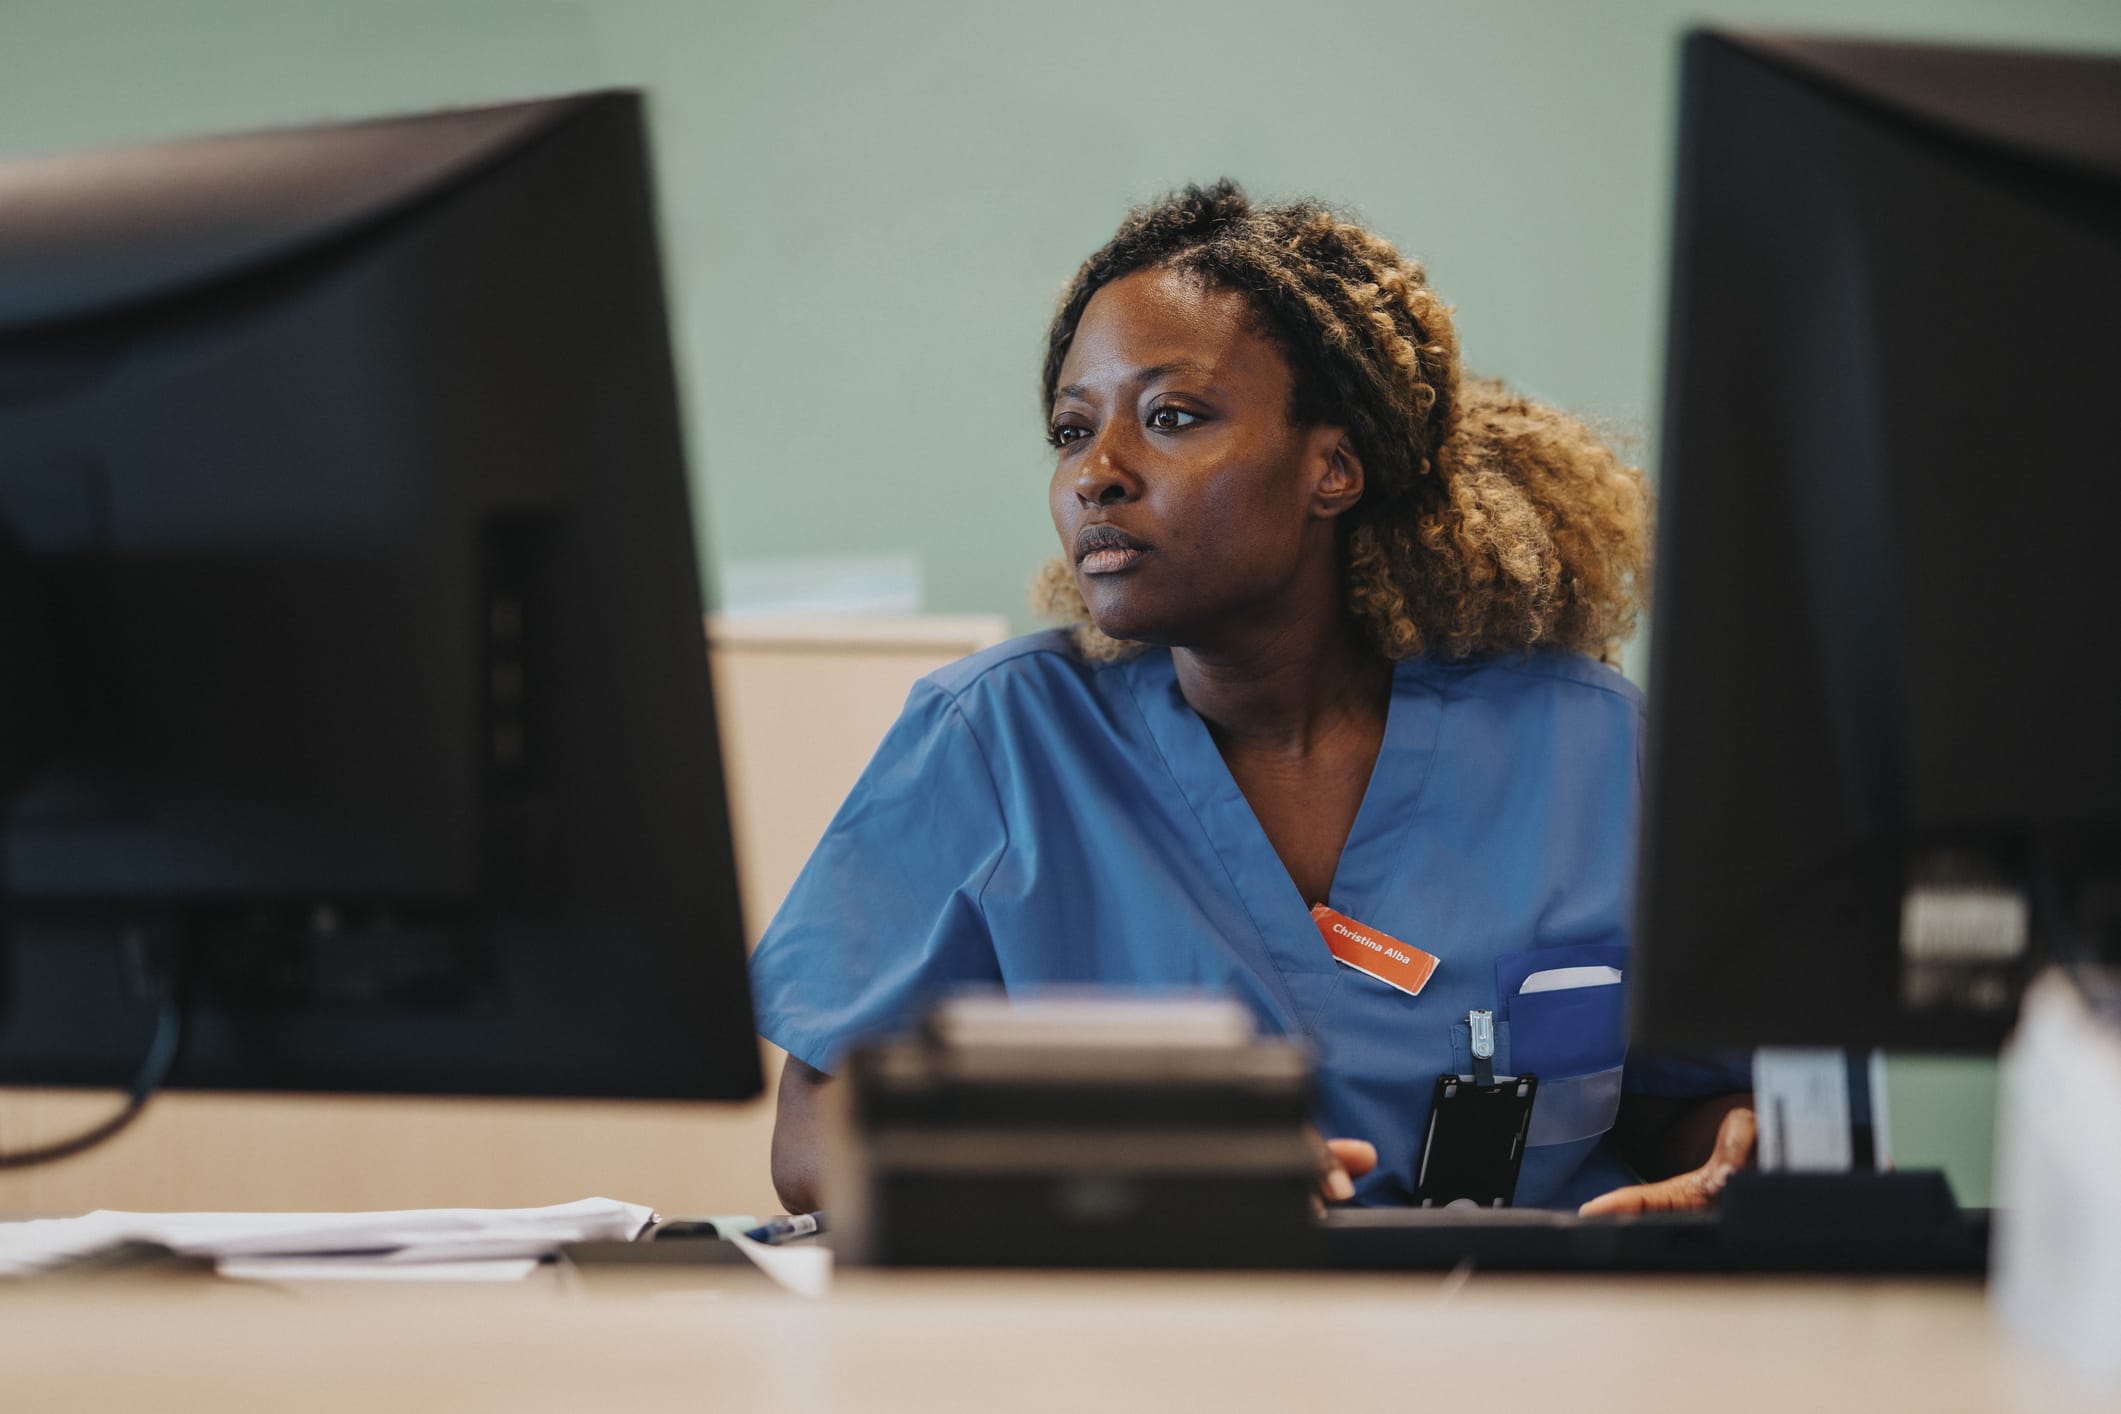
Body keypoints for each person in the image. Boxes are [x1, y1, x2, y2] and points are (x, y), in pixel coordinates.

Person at [750, 180, 1753, 1216]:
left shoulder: (1589, 745)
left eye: (1170, 416)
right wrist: (1125, 1174)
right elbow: (816, 1137)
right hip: (1164, 1315)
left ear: (1333, 468)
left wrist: (1743, 1156)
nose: (1096, 474)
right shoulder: (997, 738)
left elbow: (1684, 1096)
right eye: (1070, 431)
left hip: (1530, 1314)